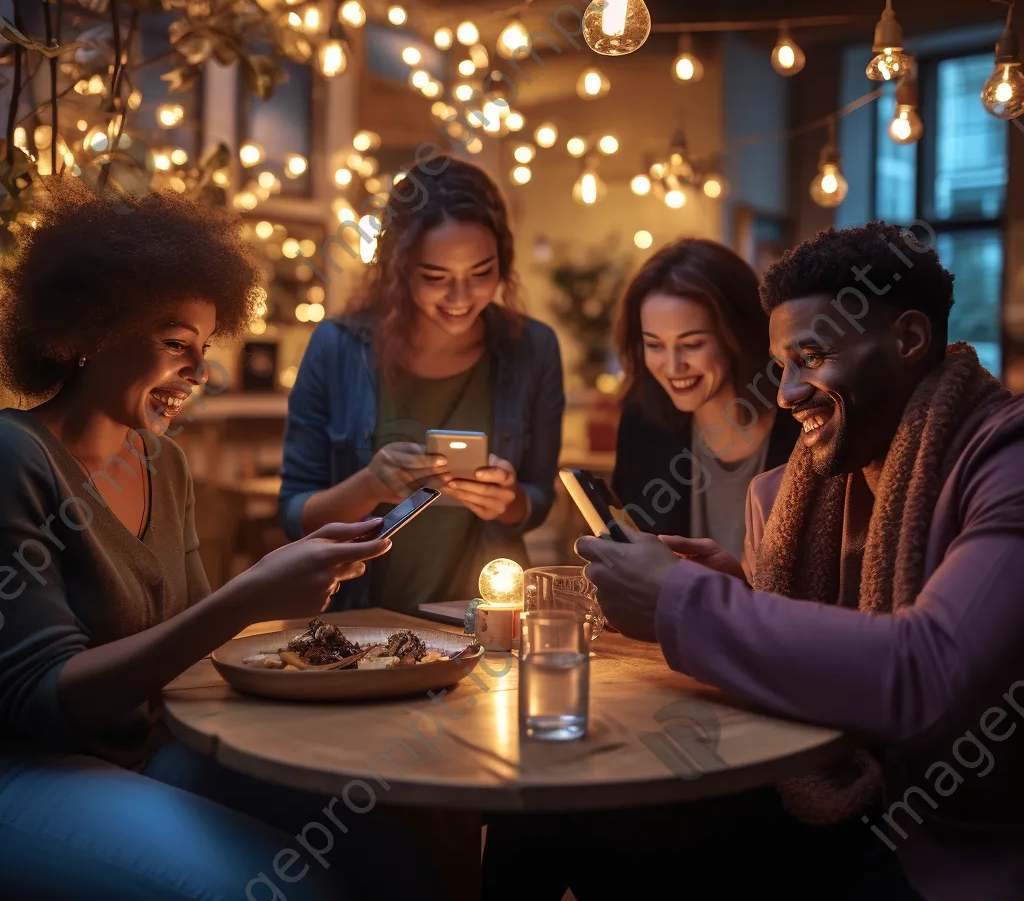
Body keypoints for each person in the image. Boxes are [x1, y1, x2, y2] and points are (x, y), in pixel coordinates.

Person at [0, 183, 442, 901]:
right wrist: (251, 593)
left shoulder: (163, 463)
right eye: (177, 345)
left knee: (399, 854)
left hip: (147, 751)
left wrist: (287, 590)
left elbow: (199, 653)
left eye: (204, 350)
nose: (199, 375)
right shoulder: (15, 456)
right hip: (32, 770)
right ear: (88, 328)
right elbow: (47, 701)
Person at [576, 222, 1024, 900]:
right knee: (576, 822)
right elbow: (835, 634)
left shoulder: (1007, 459)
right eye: (782, 364)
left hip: (955, 837)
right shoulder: (794, 489)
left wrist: (684, 601)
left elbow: (929, 672)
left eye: (812, 357)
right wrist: (741, 590)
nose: (786, 393)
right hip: (843, 799)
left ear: (908, 340)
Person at [279, 155, 565, 616]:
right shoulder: (337, 347)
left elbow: (539, 498)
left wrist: (507, 501)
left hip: (483, 623)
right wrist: (370, 484)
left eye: (481, 274)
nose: (460, 298)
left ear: (504, 263)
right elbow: (296, 515)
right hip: (356, 621)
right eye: (435, 278)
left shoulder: (532, 348)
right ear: (399, 267)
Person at [611, 238, 799, 556]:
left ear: (737, 335)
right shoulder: (642, 422)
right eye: (654, 345)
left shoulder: (802, 417)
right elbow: (628, 548)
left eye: (693, 344)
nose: (672, 366)